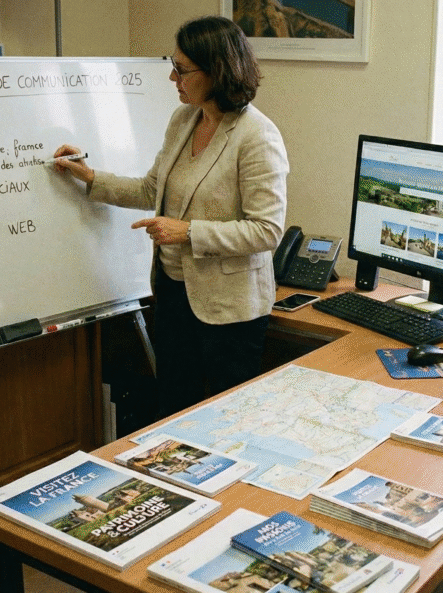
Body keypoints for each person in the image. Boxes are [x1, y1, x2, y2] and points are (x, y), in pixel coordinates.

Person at [52, 15, 289, 420]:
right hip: (174, 298)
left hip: (228, 311)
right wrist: (91, 178)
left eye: (181, 69)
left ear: (216, 71)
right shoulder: (184, 120)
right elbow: (151, 190)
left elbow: (267, 231)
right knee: (174, 416)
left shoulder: (257, 136)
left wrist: (189, 232)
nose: (171, 77)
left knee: (224, 423)